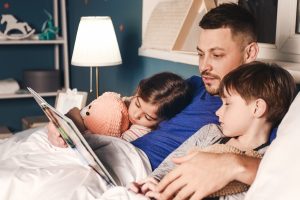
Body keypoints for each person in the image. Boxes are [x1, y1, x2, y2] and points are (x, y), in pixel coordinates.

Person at [47, 3, 281, 199]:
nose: (203, 66)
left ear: (250, 53)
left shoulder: (255, 109)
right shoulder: (194, 85)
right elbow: (127, 106)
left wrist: (232, 164)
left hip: (135, 172)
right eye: (200, 54)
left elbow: (279, 168)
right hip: (118, 158)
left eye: (217, 55)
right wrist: (70, 121)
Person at [129, 61, 296, 199]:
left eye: (227, 104)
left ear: (257, 108)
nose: (218, 112)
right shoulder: (210, 132)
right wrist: (150, 184)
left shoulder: (268, 160)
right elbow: (169, 166)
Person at [48, 71, 193, 146]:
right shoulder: (120, 102)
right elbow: (83, 114)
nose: (136, 115)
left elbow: (115, 145)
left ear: (162, 121)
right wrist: (63, 121)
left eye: (147, 117)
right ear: (138, 90)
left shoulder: (141, 130)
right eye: (138, 104)